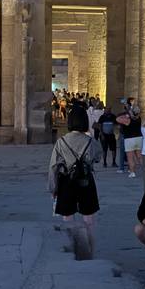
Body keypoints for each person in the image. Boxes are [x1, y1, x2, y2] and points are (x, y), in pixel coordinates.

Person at [48, 106, 102, 253]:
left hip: (66, 181)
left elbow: (53, 166)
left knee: (68, 217)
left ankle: (73, 246)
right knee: (89, 218)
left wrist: (53, 188)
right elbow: (98, 156)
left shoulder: (61, 142)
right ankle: (89, 247)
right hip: (86, 180)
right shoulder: (90, 141)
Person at [117, 106, 143, 178]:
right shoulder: (139, 118)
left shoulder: (128, 120)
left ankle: (132, 172)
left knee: (130, 157)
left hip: (129, 139)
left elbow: (117, 119)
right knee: (139, 156)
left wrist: (126, 114)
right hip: (139, 138)